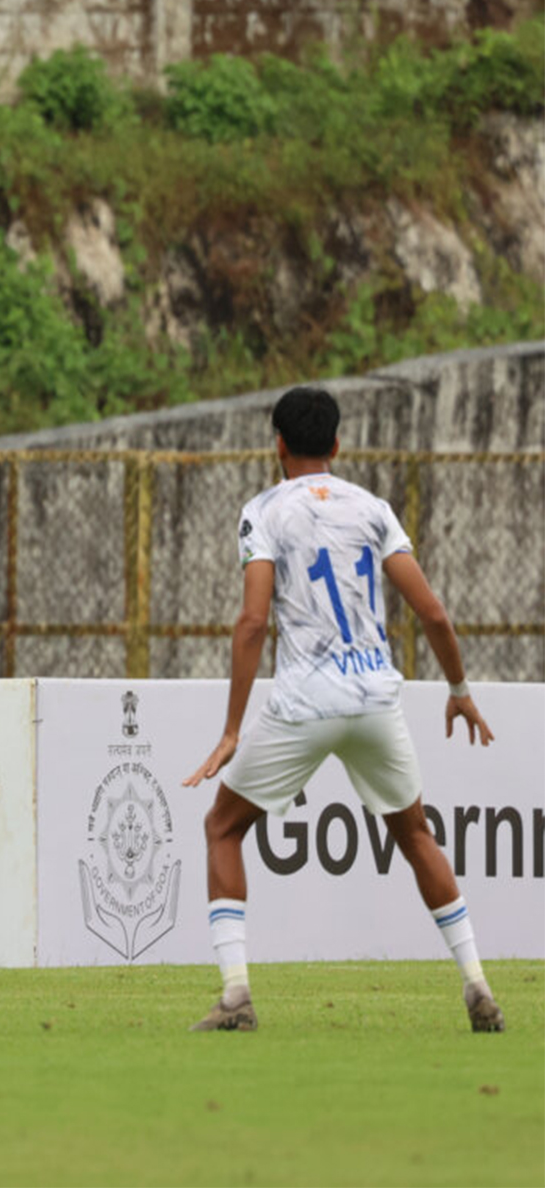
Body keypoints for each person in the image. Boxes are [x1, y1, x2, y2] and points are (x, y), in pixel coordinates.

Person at [183, 385, 503, 1034]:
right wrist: (460, 691)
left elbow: (251, 623)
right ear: (336, 445)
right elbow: (433, 611)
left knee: (223, 828)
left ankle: (237, 997)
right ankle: (477, 986)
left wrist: (230, 730)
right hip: (375, 696)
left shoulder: (264, 511)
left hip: (305, 699)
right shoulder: (373, 508)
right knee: (416, 836)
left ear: (277, 444)